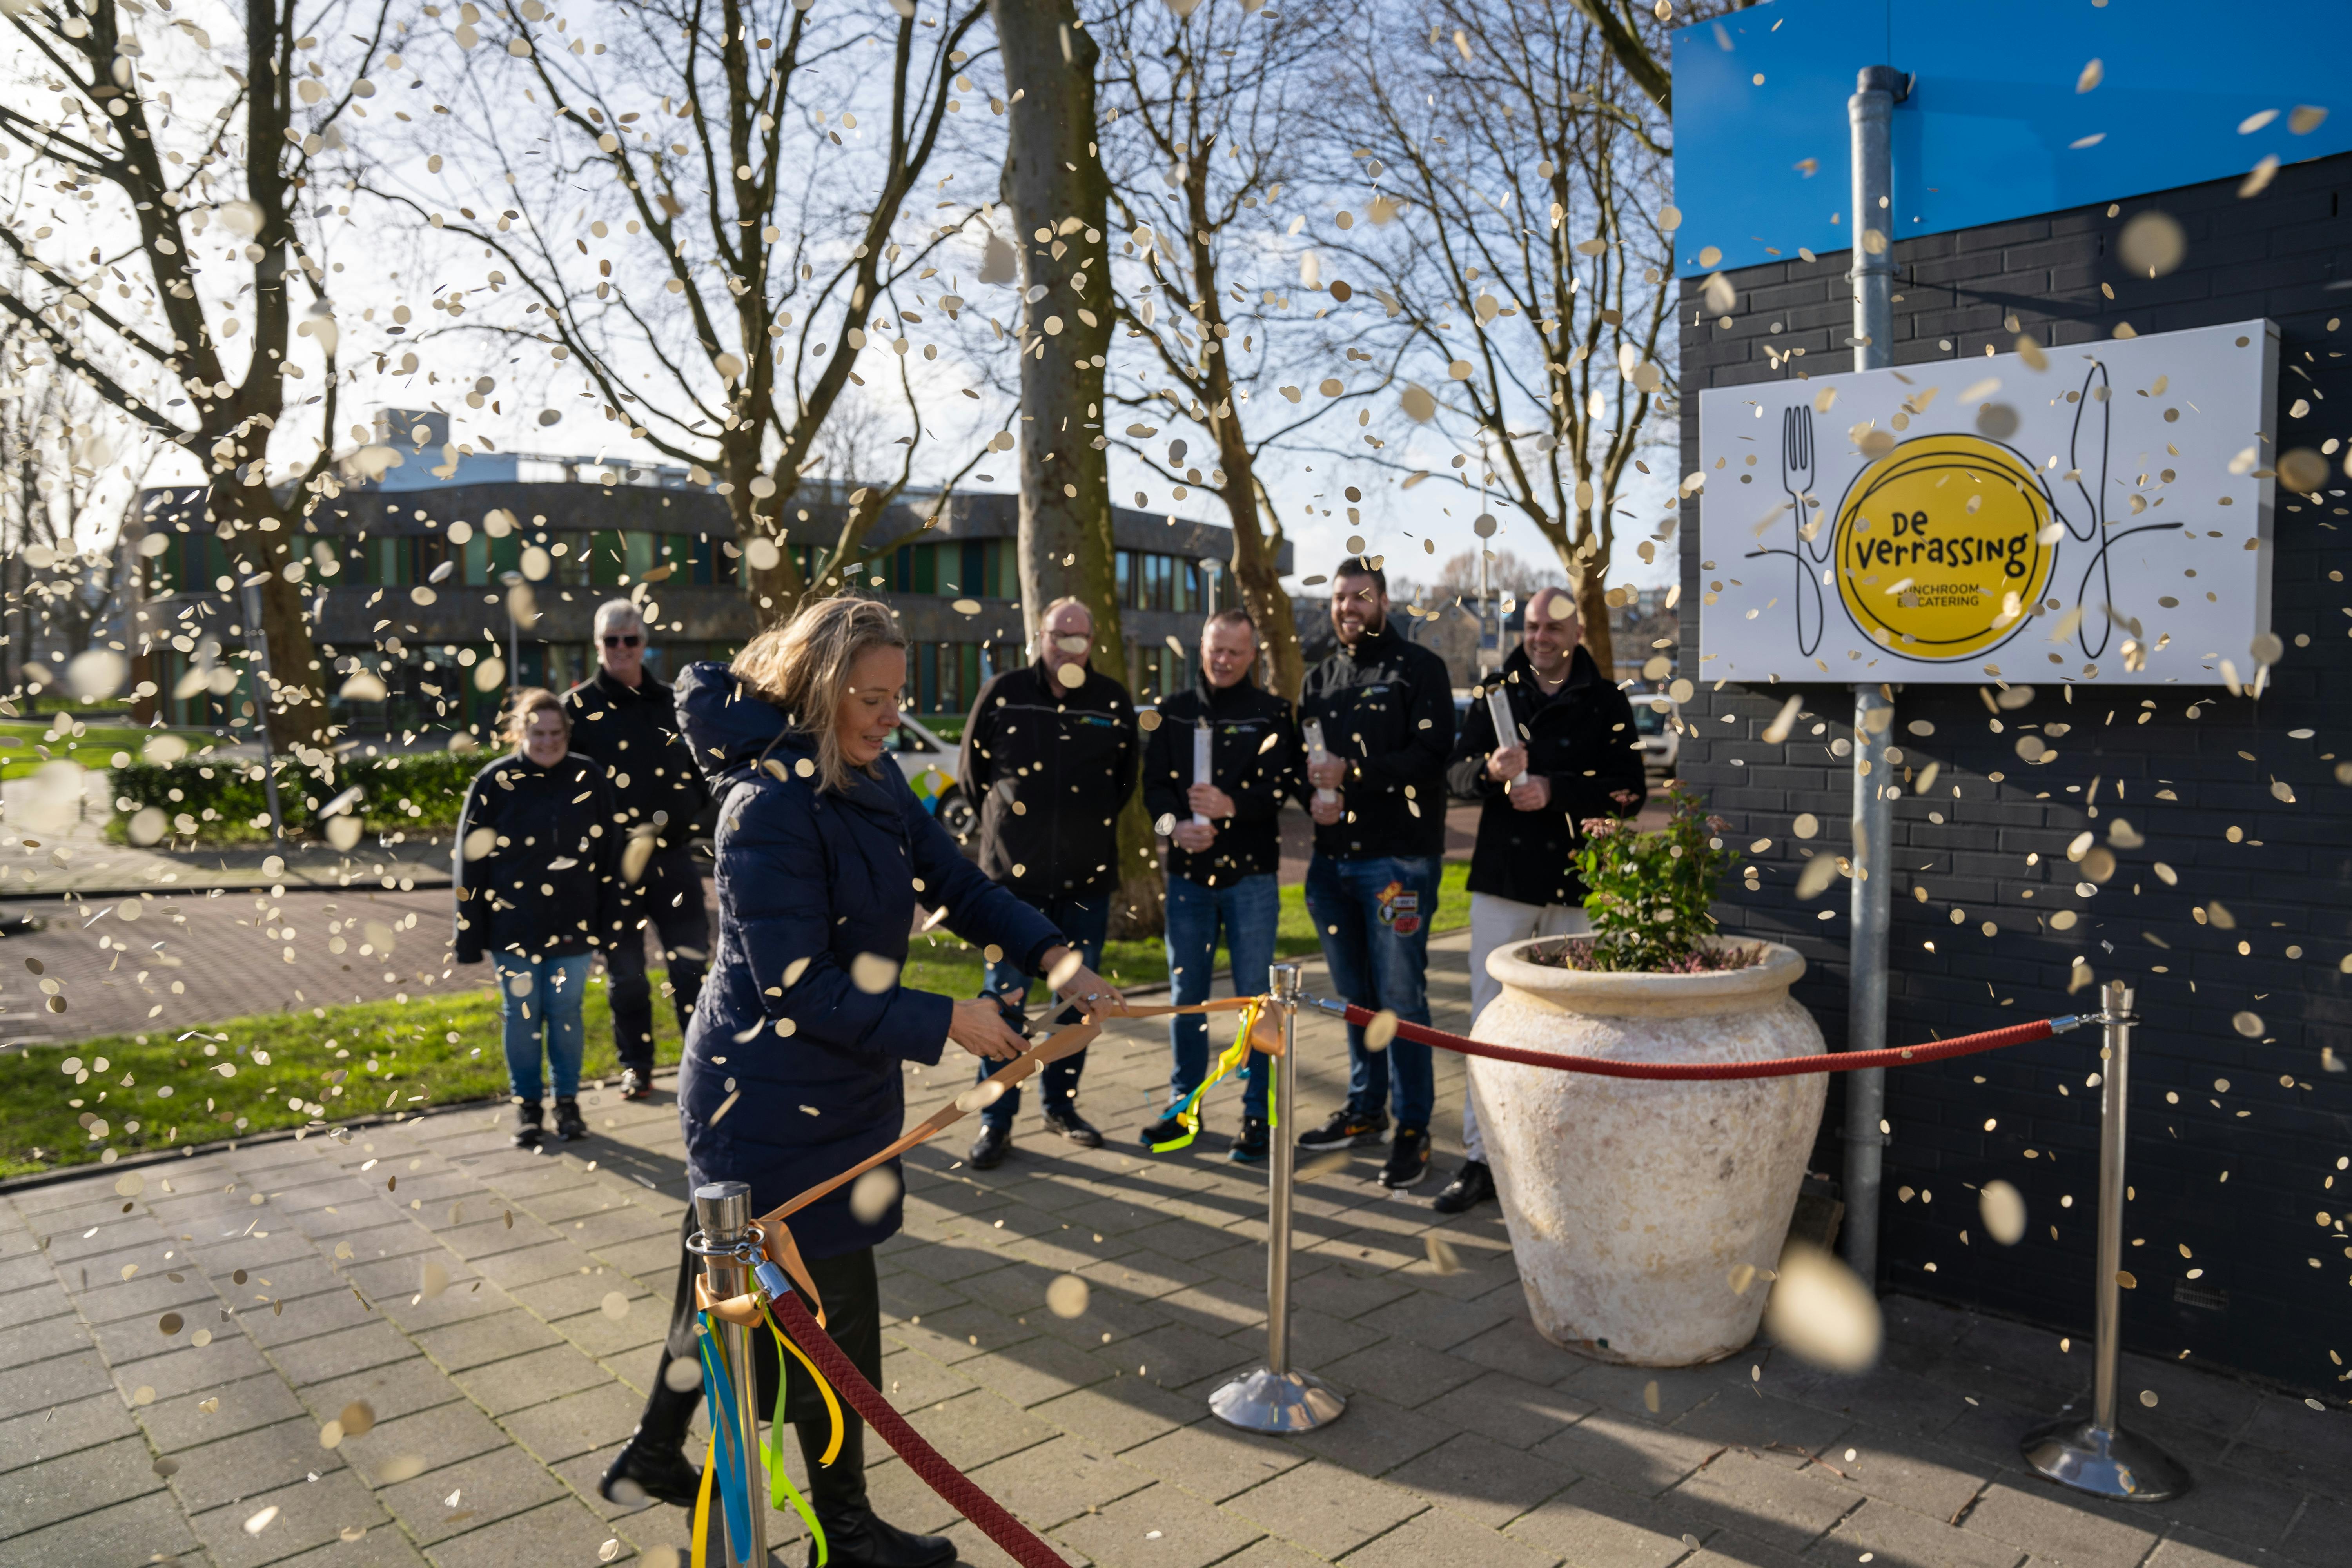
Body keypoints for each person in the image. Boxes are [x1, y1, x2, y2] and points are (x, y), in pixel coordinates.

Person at [598, 597, 1122, 1568]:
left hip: (826, 1089)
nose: (891, 715)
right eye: (872, 697)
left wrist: (1058, 959)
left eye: (898, 696)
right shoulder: (767, 805)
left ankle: (669, 1460)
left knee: (731, 1294)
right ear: (819, 689)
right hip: (766, 1103)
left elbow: (960, 884)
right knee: (826, 1325)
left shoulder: (867, 778)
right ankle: (838, 1533)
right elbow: (797, 988)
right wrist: (948, 1020)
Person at [1434, 585, 1646, 1213]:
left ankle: (1567, 1155)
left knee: (1579, 1026)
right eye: (1530, 627)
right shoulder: (1496, 695)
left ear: (1577, 631)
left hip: (1579, 885)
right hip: (1503, 882)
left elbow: (1630, 792)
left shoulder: (1607, 701)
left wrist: (1557, 791)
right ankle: (1482, 1158)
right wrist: (1490, 774)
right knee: (1489, 1022)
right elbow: (1453, 774)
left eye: (1553, 629)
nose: (1540, 639)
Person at [954, 595, 1139, 1169]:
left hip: (1086, 883)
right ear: (1040, 636)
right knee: (1003, 1004)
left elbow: (1125, 783)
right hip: (1011, 887)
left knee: (1076, 1006)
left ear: (1092, 643)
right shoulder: (1004, 693)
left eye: (1080, 638)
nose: (1068, 647)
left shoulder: (1112, 702)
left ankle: (1060, 1105)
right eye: (1059, 636)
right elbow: (972, 776)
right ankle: (995, 1120)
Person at [1295, 559, 1457, 1189]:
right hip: (1330, 866)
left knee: (1402, 999)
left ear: (1384, 601)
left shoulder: (1419, 670)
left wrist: (1352, 775)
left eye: (1360, 597)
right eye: (1338, 599)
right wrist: (1306, 794)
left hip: (1398, 867)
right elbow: (1302, 764)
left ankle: (1413, 1126)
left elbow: (1431, 755)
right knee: (1357, 1002)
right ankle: (1367, 1108)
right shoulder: (1319, 680)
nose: (1348, 608)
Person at [1139, 607, 1298, 1162]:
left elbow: (1281, 791)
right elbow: (1152, 797)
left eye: (1235, 652)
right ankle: (1183, 1105)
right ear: (1200, 649)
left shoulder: (1275, 714)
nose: (1224, 661)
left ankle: (1259, 1112)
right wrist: (1175, 830)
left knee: (1257, 1000)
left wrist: (1232, 808)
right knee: (1187, 998)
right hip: (1187, 882)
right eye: (1215, 650)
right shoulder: (1172, 714)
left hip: (1251, 878)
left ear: (1254, 654)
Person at [452, 688, 630, 1150]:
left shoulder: (589, 777)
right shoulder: (494, 781)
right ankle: (528, 1108)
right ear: (520, 732)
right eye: (538, 733)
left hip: (575, 925)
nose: (548, 741)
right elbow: (470, 862)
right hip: (513, 927)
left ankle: (567, 1104)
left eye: (556, 733)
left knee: (566, 1013)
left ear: (568, 732)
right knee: (522, 1016)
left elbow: (611, 856)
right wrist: (468, 934)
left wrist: (612, 926)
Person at [563, 599, 712, 1102]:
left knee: (691, 968)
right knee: (626, 977)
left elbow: (704, 773)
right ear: (597, 644)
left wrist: (701, 824)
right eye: (612, 640)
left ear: (646, 643)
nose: (622, 649)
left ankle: (702, 1063)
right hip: (613, 869)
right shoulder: (575, 709)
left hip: (673, 860)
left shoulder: (674, 701)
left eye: (631, 639)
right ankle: (638, 1067)